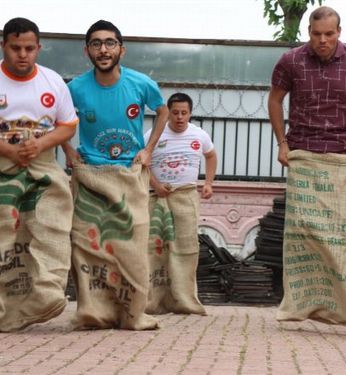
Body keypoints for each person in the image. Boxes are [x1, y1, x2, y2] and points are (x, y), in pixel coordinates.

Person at [0, 17, 78, 332]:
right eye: (15, 48)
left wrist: (39, 144)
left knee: (52, 227)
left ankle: (47, 295)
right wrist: (9, 150)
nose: (22, 55)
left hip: (44, 164)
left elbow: (68, 124)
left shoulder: (52, 82)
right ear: (3, 47)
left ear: (39, 48)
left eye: (28, 48)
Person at [269, 6, 346, 325]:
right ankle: (303, 304)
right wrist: (282, 142)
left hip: (342, 156)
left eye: (329, 34)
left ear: (339, 32)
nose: (322, 40)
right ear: (308, 32)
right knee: (303, 233)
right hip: (303, 154)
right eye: (316, 34)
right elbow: (275, 99)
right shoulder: (291, 60)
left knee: (342, 234)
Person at [63, 20, 168, 330]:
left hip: (129, 175)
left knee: (131, 245)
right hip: (91, 175)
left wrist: (148, 149)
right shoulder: (75, 88)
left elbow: (161, 110)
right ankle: (95, 312)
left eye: (110, 43)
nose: (103, 49)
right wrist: (69, 152)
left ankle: (132, 312)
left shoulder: (140, 83)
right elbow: (57, 120)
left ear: (121, 49)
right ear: (87, 51)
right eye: (96, 44)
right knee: (87, 245)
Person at [144, 92, 216, 315]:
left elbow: (211, 156)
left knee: (186, 248)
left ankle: (184, 300)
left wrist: (209, 183)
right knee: (155, 247)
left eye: (184, 113)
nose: (179, 117)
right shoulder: (153, 135)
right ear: (168, 113)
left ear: (190, 113)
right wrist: (155, 185)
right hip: (157, 197)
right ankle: (154, 301)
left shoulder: (199, 135)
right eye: (175, 113)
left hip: (185, 197)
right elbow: (142, 163)